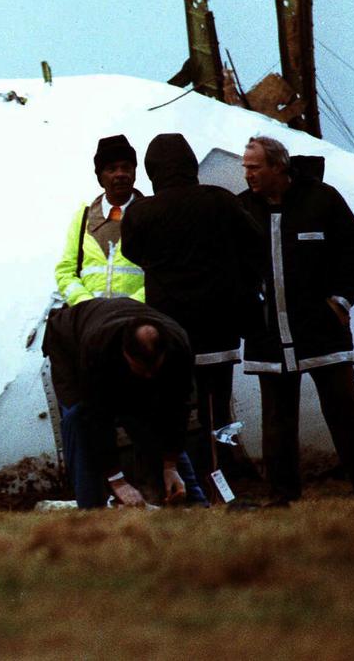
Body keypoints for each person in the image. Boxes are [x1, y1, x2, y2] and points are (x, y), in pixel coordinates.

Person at [238, 136, 354, 502]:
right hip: (269, 335)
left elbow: (353, 251)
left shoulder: (322, 200)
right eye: (245, 167)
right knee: (277, 420)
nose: (248, 174)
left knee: (344, 410)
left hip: (321, 331)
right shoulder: (242, 210)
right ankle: (282, 497)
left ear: (278, 167)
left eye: (255, 167)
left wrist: (340, 302)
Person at [121, 133, 264, 490]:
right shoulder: (219, 201)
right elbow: (253, 242)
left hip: (171, 329)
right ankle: (225, 476)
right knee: (218, 404)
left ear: (152, 170)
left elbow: (132, 253)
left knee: (175, 406)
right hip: (219, 323)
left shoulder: (141, 213)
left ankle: (183, 478)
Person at [42, 298, 195, 508]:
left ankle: (191, 500)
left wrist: (170, 465)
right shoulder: (98, 347)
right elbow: (97, 418)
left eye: (154, 368)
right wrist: (118, 481)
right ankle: (92, 510)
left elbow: (177, 407)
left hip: (107, 328)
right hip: (69, 343)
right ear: (125, 354)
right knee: (78, 419)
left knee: (148, 412)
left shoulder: (178, 344)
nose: (149, 375)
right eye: (142, 368)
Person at [53, 134, 145, 307]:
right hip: (91, 323)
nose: (120, 174)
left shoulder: (151, 216)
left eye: (126, 167)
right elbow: (65, 271)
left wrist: (131, 307)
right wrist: (88, 306)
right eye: (111, 169)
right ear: (100, 177)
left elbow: (161, 273)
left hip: (136, 320)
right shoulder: (83, 218)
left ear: (134, 173)